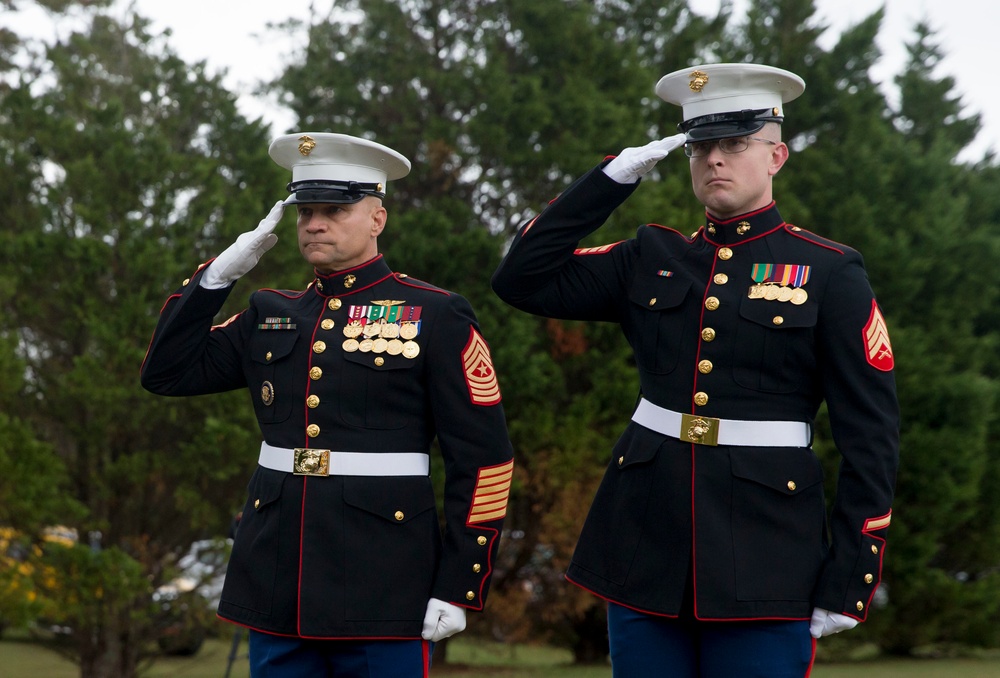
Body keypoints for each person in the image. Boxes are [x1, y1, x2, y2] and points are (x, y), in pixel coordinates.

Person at [492, 63, 899, 676]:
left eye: (735, 144)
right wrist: (610, 179)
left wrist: (853, 571)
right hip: (645, 538)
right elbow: (521, 278)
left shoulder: (829, 272)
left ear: (776, 156)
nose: (715, 160)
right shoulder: (651, 258)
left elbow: (870, 435)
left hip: (767, 548)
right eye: (702, 146)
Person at [141, 132, 514, 677]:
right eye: (306, 211)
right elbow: (165, 373)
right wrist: (218, 276)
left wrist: (461, 583)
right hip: (276, 577)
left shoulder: (435, 314)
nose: (315, 223)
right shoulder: (271, 311)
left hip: (384, 581)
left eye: (335, 209)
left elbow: (484, 459)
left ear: (377, 219)